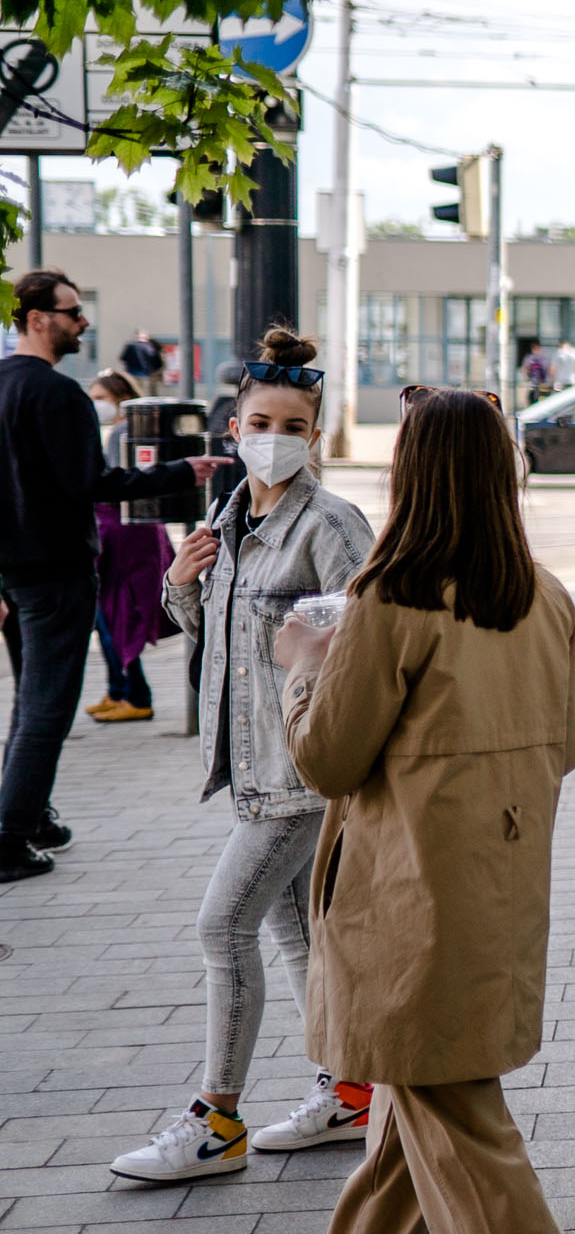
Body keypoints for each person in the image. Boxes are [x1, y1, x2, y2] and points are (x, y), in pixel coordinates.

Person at [243, 386, 575, 1234]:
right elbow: (569, 745)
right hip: (501, 894)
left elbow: (329, 759)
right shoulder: (544, 594)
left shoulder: (391, 598)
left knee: (463, 1137)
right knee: (407, 1139)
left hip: (403, 908)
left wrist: (304, 667)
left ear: (410, 473)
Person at [113, 329, 379, 1186]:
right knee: (293, 932)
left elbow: (372, 638)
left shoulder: (329, 525)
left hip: (301, 770)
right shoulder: (229, 521)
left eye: (293, 425)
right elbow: (221, 642)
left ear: (314, 435)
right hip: (252, 764)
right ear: (233, 430)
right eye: (260, 422)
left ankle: (217, 1119)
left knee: (221, 926)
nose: (274, 437)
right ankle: (349, 1094)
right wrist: (182, 585)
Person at [0, 270, 226, 881]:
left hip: (13, 574)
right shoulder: (59, 395)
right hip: (57, 572)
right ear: (37, 318)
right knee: (47, 706)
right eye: (73, 312)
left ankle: (31, 816)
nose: (84, 322)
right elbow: (92, 484)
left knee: (30, 700)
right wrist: (179, 472)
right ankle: (10, 838)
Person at [84, 369, 172, 723]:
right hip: (128, 531)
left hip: (124, 534)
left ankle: (134, 694)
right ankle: (119, 689)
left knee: (115, 615)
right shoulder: (123, 431)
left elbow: (119, 483)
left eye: (100, 397)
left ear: (121, 398)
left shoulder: (125, 433)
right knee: (110, 614)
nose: (96, 405)